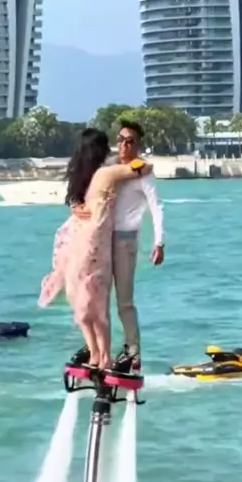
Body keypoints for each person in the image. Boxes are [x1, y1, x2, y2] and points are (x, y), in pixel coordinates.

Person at [38, 128, 152, 369]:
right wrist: (136, 157)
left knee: (82, 305)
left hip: (75, 246)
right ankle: (105, 357)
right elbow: (144, 167)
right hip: (96, 248)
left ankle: (94, 354)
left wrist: (76, 204)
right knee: (99, 306)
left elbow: (75, 200)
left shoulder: (82, 177)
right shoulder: (104, 174)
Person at [73, 120, 164, 372]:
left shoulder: (144, 173)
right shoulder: (110, 167)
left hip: (125, 240)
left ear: (138, 145)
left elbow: (156, 207)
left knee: (124, 300)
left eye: (130, 141)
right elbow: (85, 189)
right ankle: (97, 350)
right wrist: (75, 206)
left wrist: (159, 242)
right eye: (121, 139)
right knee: (96, 298)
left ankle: (132, 350)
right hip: (101, 240)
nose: (124, 145)